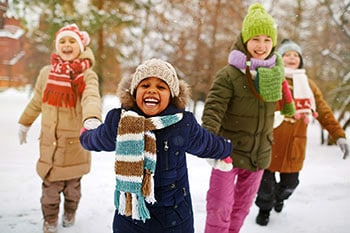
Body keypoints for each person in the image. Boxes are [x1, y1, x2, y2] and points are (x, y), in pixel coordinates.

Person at [79, 58, 233, 233]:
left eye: (161, 87)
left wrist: (225, 149)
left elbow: (206, 143)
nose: (152, 90)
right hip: (131, 216)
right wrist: (86, 136)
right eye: (145, 86)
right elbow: (100, 138)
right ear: (135, 92)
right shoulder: (121, 121)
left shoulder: (183, 124)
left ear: (172, 95)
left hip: (175, 218)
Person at [201, 3, 296, 233]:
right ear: (244, 40)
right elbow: (213, 110)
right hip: (227, 154)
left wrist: (284, 114)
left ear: (273, 42)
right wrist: (210, 145)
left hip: (258, 155)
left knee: (241, 209)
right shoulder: (229, 74)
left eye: (267, 39)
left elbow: (283, 101)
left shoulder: (275, 72)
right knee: (219, 208)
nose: (261, 46)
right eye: (255, 39)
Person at [254, 39, 349, 226]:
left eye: (295, 55)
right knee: (265, 185)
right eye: (287, 54)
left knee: (290, 184)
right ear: (279, 58)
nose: (291, 58)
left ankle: (279, 199)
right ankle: (264, 209)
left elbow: (323, 111)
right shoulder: (270, 77)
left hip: (294, 145)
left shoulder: (309, 85)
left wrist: (338, 135)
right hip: (269, 141)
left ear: (300, 60)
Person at [18, 24, 102, 233]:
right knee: (50, 190)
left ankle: (70, 212)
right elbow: (37, 101)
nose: (66, 45)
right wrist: (24, 122)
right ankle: (50, 219)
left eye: (72, 41)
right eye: (62, 41)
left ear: (81, 46)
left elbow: (91, 96)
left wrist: (91, 117)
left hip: (74, 145)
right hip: (50, 145)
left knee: (73, 189)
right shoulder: (47, 73)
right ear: (56, 46)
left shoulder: (86, 75)